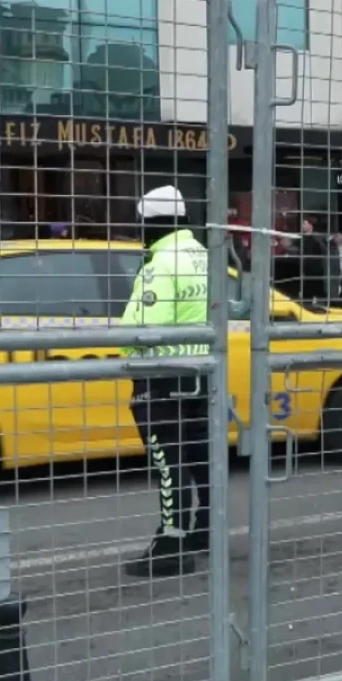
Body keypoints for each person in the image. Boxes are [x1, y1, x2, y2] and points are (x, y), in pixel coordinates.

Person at [120, 185, 212, 577]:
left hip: (162, 376)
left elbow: (142, 326)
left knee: (168, 459)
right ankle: (204, 529)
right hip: (201, 371)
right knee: (199, 454)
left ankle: (171, 542)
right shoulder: (204, 255)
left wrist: (123, 347)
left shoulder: (160, 263)